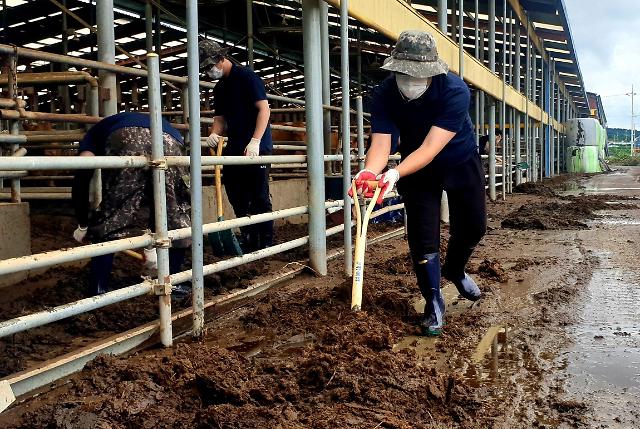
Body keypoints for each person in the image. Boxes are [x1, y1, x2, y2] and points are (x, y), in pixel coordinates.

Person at [353, 31, 487, 336]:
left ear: (433, 71)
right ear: (395, 69)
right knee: (422, 238)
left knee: (474, 226)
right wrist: (370, 173)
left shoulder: (455, 90)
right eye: (405, 74)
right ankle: (434, 300)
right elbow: (381, 145)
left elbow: (431, 148)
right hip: (417, 170)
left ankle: (455, 268)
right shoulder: (385, 94)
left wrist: (395, 173)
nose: (412, 80)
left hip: (458, 160)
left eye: (420, 75)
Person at [71, 112, 192, 296]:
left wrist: (83, 223)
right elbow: (155, 197)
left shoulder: (91, 137)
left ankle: (98, 289)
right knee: (175, 212)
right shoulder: (115, 124)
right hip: (170, 139)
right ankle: (173, 285)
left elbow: (82, 177)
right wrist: (151, 243)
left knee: (113, 215)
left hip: (126, 137)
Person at [199, 39, 274, 251]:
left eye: (209, 67)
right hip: (235, 145)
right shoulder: (220, 88)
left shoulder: (247, 77)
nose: (208, 72)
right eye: (204, 69)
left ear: (221, 59)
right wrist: (214, 133)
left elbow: (264, 110)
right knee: (235, 191)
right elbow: (220, 118)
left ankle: (266, 242)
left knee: (259, 195)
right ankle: (248, 237)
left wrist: (256, 140)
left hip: (257, 145)